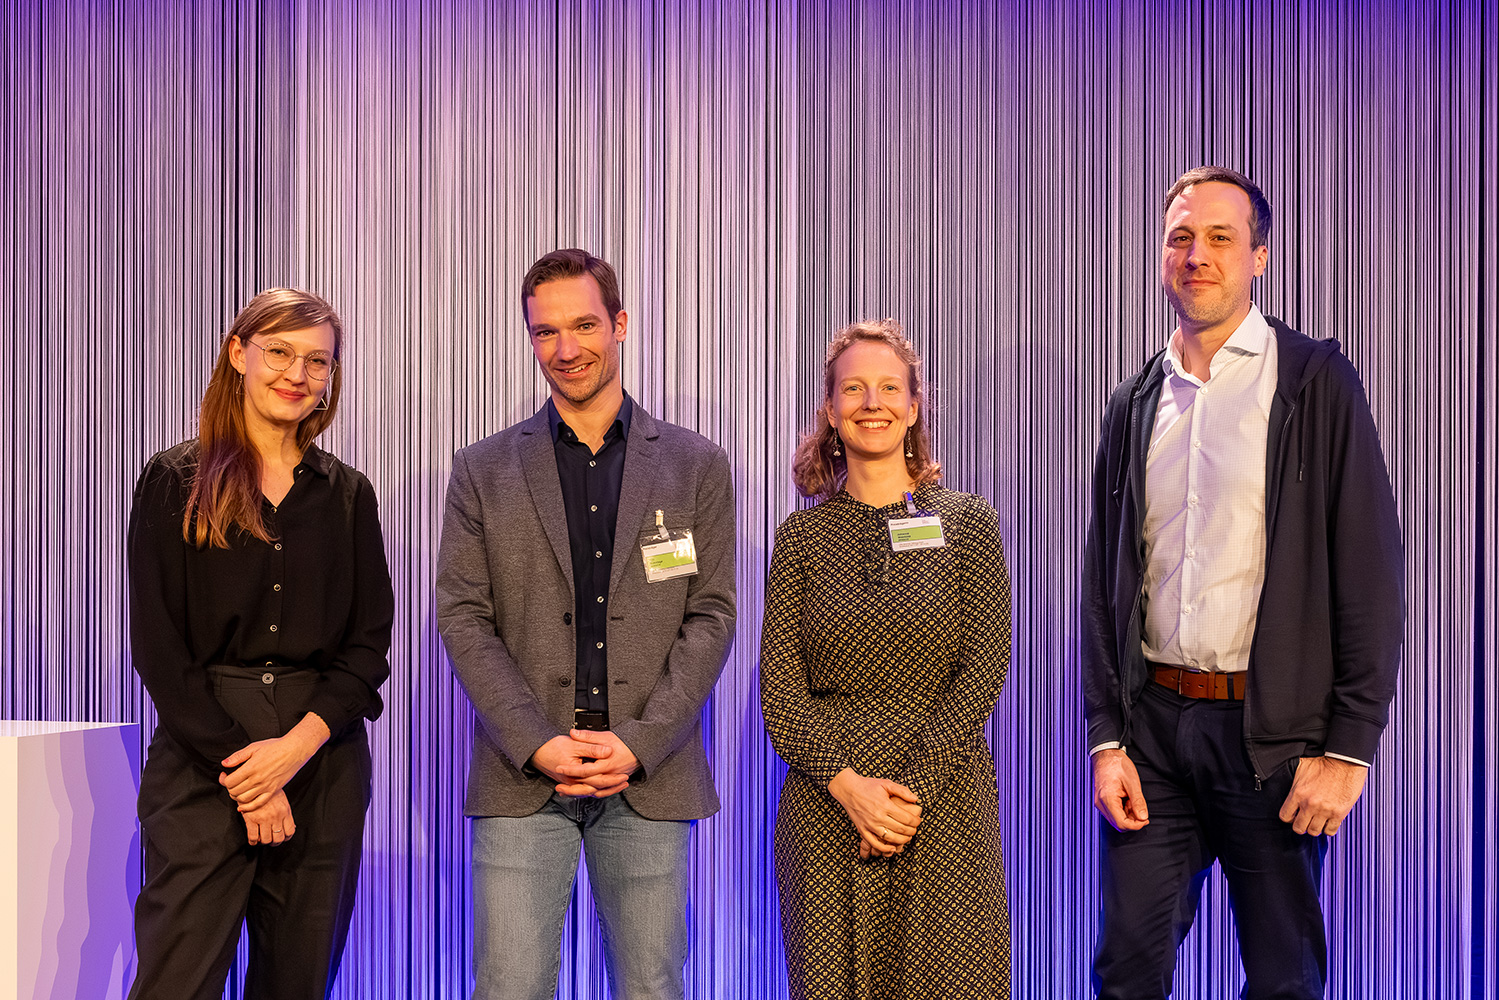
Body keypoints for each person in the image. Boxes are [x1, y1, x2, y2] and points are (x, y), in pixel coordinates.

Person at [1081, 166, 1404, 999]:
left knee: (1281, 979)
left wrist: (1345, 747)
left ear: (1258, 255)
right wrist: (1105, 737)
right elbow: (1104, 582)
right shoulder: (1133, 401)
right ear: (1161, 256)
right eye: (1180, 238)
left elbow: (1370, 572)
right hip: (1153, 733)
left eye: (1220, 238)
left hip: (1275, 742)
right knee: (1127, 969)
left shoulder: (1311, 382)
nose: (1197, 256)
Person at [436, 248, 736, 1000]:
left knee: (651, 988)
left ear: (621, 324)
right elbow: (463, 618)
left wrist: (637, 742)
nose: (565, 350)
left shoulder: (697, 466)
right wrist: (538, 741)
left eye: (583, 326)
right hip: (522, 775)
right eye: (545, 333)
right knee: (507, 988)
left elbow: (711, 616)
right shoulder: (483, 469)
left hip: (647, 773)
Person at [126, 288, 394, 999]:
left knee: (296, 984)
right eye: (279, 351)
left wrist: (293, 752)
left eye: (317, 361)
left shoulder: (348, 496)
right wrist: (249, 776)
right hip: (200, 761)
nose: (296, 374)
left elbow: (367, 649)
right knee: (175, 982)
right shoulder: (173, 481)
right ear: (237, 353)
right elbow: (159, 650)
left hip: (321, 766)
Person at [760, 319, 1013, 1000]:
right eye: (853, 389)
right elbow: (781, 696)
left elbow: (985, 664)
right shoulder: (801, 538)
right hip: (827, 809)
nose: (870, 402)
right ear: (831, 411)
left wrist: (907, 799)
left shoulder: (967, 523)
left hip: (944, 803)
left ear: (912, 406)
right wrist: (851, 790)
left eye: (887, 388)